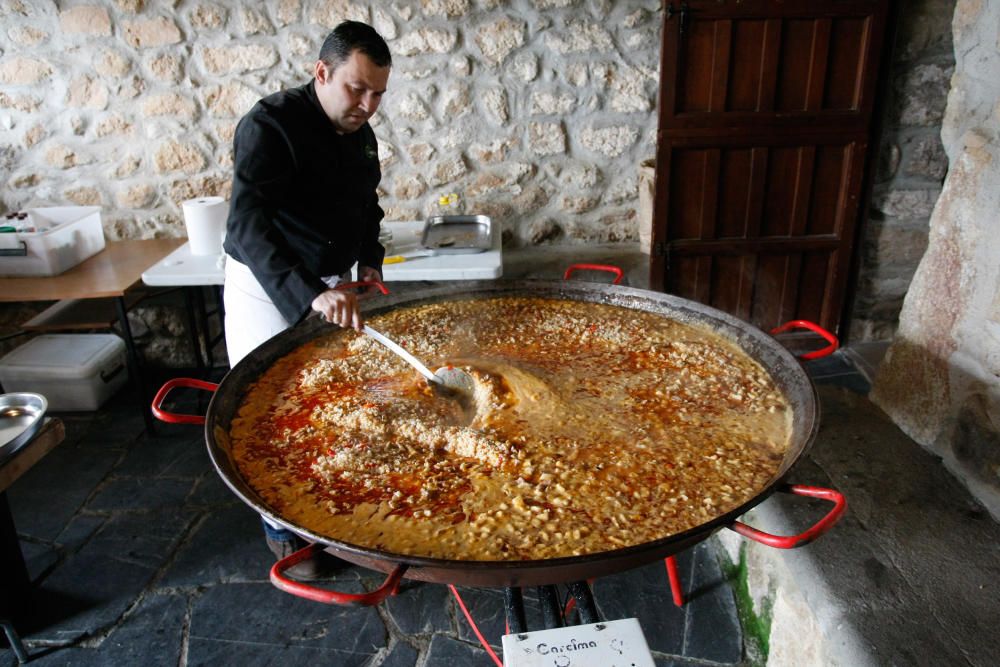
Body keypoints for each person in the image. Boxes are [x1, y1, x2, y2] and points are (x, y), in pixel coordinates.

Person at [221, 20, 392, 578]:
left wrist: (369, 261)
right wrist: (308, 296)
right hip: (264, 283)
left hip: (330, 279)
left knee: (331, 401)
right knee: (271, 410)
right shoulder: (270, 126)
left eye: (378, 94)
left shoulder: (360, 132)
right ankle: (284, 538)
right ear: (322, 72)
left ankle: (330, 513)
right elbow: (248, 223)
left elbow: (368, 207)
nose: (368, 105)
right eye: (357, 89)